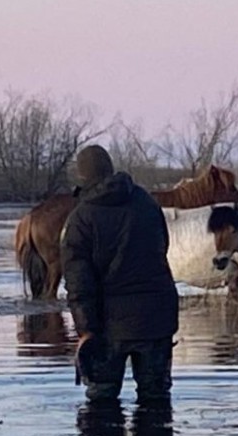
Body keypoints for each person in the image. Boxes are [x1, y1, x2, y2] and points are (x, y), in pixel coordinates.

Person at [61, 144, 179, 403]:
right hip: (157, 319)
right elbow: (162, 248)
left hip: (107, 325)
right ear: (110, 169)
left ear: (82, 177)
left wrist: (86, 331)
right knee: (156, 403)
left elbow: (78, 282)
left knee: (101, 405)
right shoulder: (147, 203)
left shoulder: (81, 218)